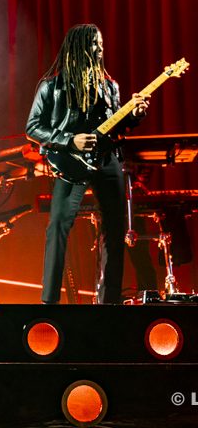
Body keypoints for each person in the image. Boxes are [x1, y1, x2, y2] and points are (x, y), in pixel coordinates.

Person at [26, 24, 148, 304]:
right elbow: (33, 126)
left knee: (114, 231)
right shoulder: (52, 87)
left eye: (101, 42)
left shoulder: (110, 86)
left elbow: (116, 126)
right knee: (58, 226)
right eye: (94, 43)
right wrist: (70, 140)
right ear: (78, 47)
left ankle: (110, 302)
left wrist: (134, 116)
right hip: (70, 164)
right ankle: (49, 303)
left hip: (108, 161)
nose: (100, 47)